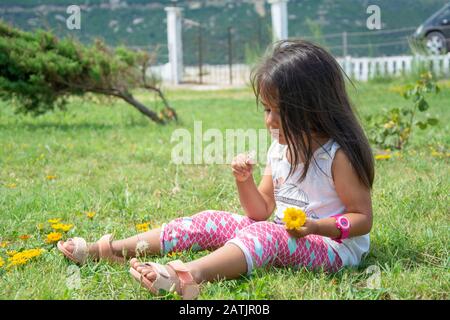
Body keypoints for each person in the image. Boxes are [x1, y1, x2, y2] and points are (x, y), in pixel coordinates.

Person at [58, 40, 375, 300]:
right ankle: (113, 249)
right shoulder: (281, 148)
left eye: (281, 112)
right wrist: (244, 181)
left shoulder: (337, 156)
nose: (269, 121)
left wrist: (316, 227)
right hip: (283, 231)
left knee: (267, 235)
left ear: (313, 107)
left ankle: (188, 276)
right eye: (266, 109)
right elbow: (260, 211)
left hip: (334, 250)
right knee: (211, 219)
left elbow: (362, 218)